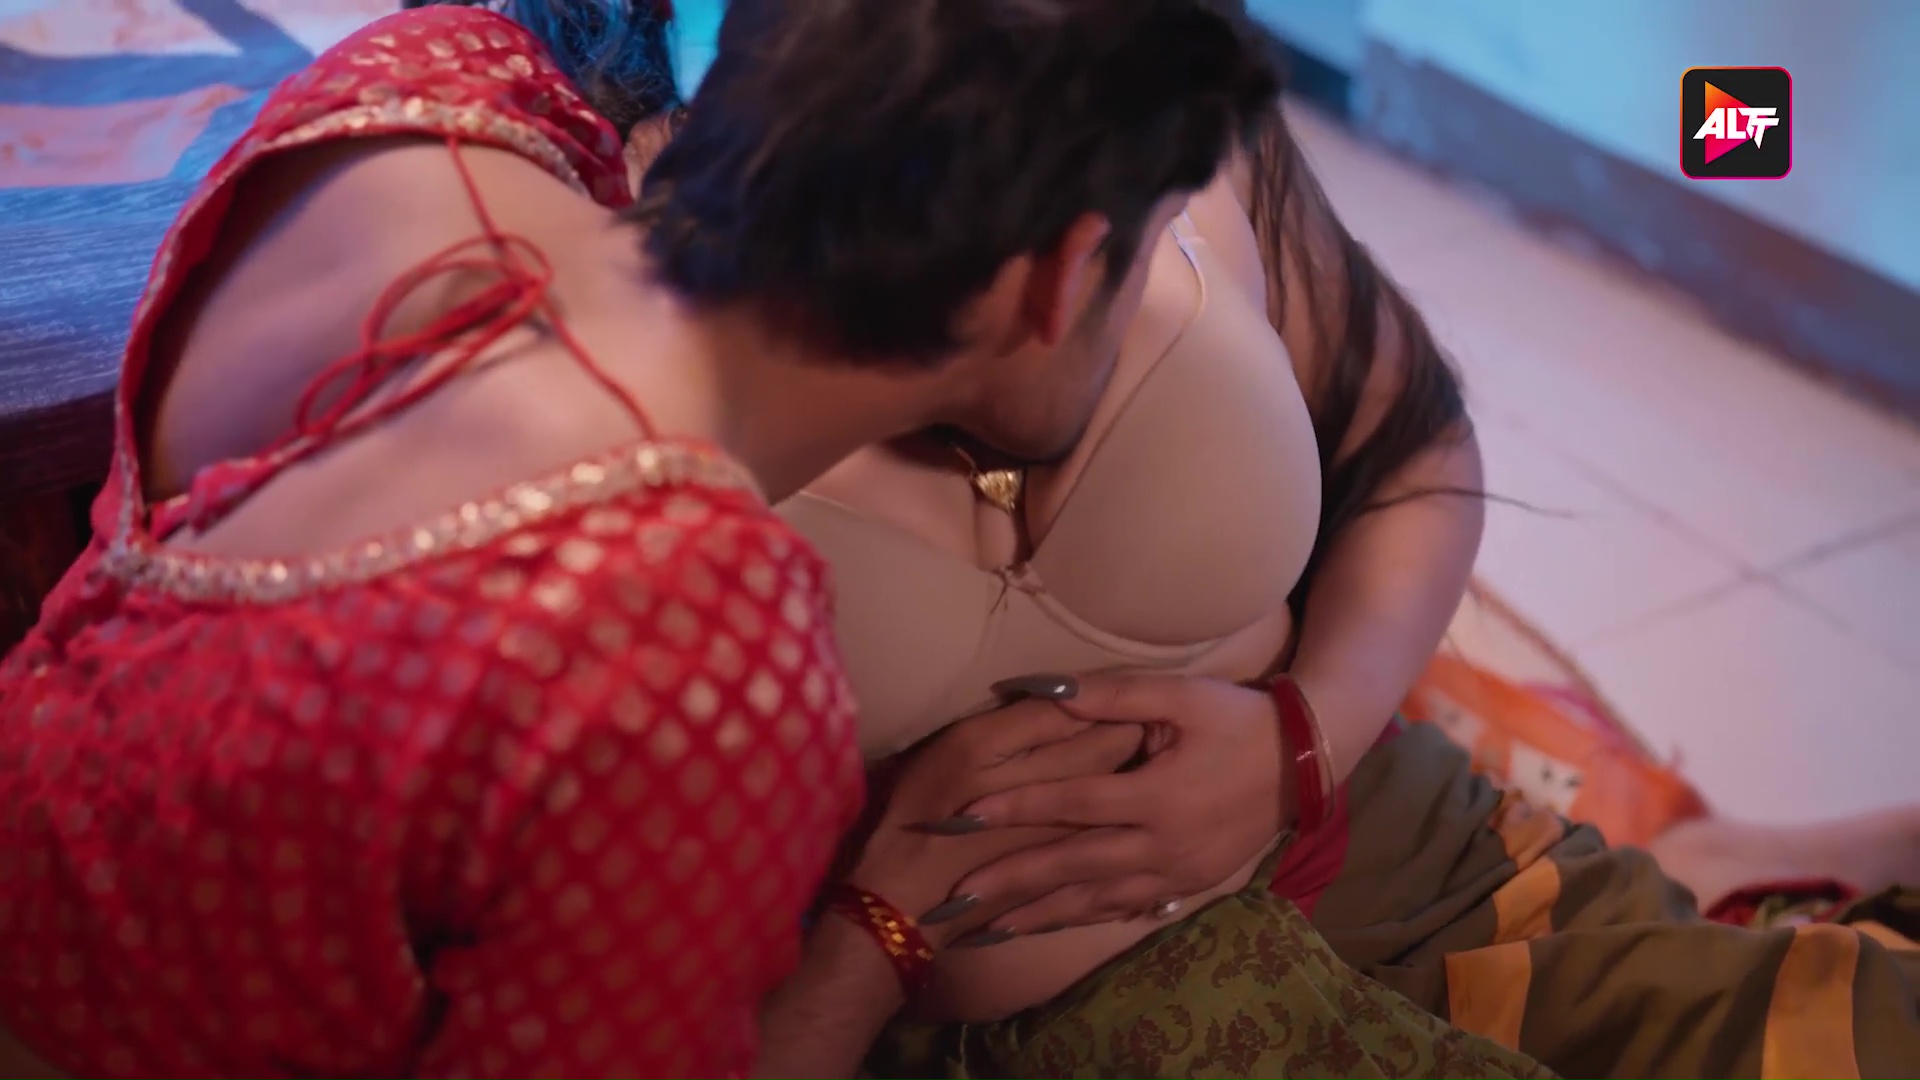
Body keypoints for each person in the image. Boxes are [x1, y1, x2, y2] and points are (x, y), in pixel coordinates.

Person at [602, 9, 1920, 1080]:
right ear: (1066, 272)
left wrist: (1304, 742)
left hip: (1408, 864)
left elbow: (1413, 453)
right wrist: (873, 937)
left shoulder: (1148, 102)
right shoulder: (614, 431)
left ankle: (1719, 874)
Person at [0, 2, 1307, 1079]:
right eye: (1153, 245)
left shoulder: (431, 90)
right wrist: (878, 932)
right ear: (1064, 274)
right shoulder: (681, 647)